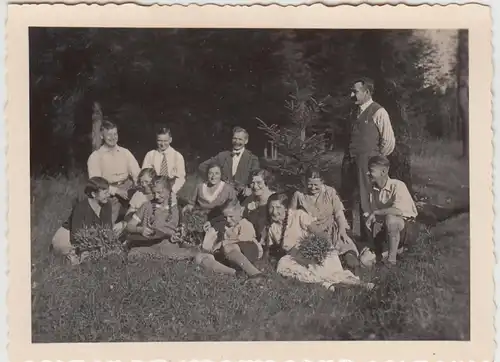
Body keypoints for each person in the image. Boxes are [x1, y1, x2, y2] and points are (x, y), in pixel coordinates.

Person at [264, 193, 373, 291]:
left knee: (330, 273)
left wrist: (316, 250)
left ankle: (361, 284)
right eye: (271, 208)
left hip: (314, 251)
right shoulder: (272, 228)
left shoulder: (298, 215)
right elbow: (269, 250)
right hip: (295, 257)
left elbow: (320, 234)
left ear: (286, 208)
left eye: (278, 207)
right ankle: (325, 284)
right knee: (283, 265)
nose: (274, 212)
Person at [341, 78, 396, 242]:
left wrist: (375, 160)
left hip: (368, 162)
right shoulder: (353, 112)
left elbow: (389, 141)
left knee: (367, 199)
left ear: (367, 92)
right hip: (350, 160)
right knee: (347, 197)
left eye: (355, 91)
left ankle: (370, 241)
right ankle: (348, 238)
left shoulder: (379, 111)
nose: (352, 95)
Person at [291, 167, 360, 272]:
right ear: (305, 181)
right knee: (316, 258)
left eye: (316, 185)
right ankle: (333, 262)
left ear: (322, 182)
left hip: (331, 230)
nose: (312, 188)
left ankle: (348, 260)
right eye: (310, 184)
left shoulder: (330, 192)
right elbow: (291, 216)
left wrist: (342, 229)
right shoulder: (299, 195)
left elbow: (338, 213)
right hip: (310, 233)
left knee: (347, 250)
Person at [51, 177, 125, 265]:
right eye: (105, 193)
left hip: (88, 237)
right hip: (68, 236)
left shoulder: (107, 205)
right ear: (93, 194)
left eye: (108, 192)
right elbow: (76, 235)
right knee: (79, 259)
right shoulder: (81, 207)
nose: (108, 195)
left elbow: (106, 228)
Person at [363, 156, 418, 267]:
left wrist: (376, 213)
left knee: (391, 218)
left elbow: (397, 211)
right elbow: (372, 214)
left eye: (371, 170)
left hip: (406, 229)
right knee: (364, 261)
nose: (368, 173)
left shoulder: (398, 185)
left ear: (383, 171)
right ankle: (393, 251)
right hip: (385, 230)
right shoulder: (372, 190)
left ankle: (391, 261)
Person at [125, 175, 193, 260]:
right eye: (154, 193)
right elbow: (129, 226)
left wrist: (177, 237)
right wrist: (140, 229)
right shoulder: (146, 206)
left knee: (189, 255)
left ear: (168, 191)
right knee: (133, 254)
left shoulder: (177, 209)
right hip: (148, 246)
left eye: (159, 192)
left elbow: (182, 232)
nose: (156, 196)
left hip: (169, 248)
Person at [87, 119, 141, 223]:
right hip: (108, 191)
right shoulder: (96, 157)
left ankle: (132, 231)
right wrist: (116, 191)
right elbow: (95, 182)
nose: (113, 138)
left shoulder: (125, 152)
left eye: (115, 134)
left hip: (127, 187)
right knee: (108, 223)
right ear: (102, 136)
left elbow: (136, 173)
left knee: (142, 207)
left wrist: (138, 185)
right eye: (109, 135)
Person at [203, 202, 264, 280]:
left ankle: (255, 273)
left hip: (250, 248)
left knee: (228, 247)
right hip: (232, 253)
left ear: (240, 213)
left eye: (231, 216)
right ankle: (236, 272)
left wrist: (223, 243)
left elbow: (244, 239)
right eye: (225, 217)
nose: (228, 220)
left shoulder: (244, 224)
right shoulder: (226, 225)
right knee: (203, 257)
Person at [198, 127, 260, 201]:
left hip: (243, 199)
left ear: (246, 141)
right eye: (234, 138)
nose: (236, 142)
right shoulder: (222, 156)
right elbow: (202, 167)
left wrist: (250, 188)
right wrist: (215, 181)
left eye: (240, 139)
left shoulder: (252, 159)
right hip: (222, 197)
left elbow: (256, 176)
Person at [183, 162, 238, 234]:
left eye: (217, 173)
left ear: (221, 175)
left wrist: (214, 222)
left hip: (220, 219)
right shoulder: (200, 187)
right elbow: (191, 204)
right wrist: (186, 211)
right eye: (210, 173)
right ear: (207, 174)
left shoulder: (228, 189)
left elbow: (233, 209)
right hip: (201, 218)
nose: (213, 176)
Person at [141, 126, 186, 194]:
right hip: (153, 189)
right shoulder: (150, 155)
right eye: (159, 141)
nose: (162, 144)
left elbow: (180, 178)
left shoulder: (177, 156)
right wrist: (152, 190)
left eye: (165, 141)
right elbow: (145, 176)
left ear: (170, 140)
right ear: (156, 140)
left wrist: (172, 191)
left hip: (171, 189)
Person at [241, 169, 276, 242]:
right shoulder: (250, 199)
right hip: (250, 238)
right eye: (252, 183)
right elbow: (238, 217)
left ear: (267, 182)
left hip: (269, 240)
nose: (255, 187)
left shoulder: (274, 200)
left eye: (259, 183)